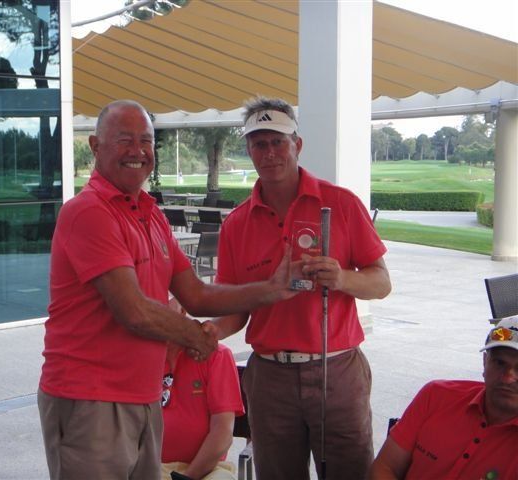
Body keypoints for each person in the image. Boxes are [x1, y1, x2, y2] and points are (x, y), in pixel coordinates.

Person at [37, 99, 302, 480]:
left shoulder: (150, 216)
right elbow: (134, 311)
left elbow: (196, 294)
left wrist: (270, 290)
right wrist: (197, 337)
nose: (138, 151)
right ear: (95, 146)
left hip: (143, 395)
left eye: (146, 140)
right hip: (91, 399)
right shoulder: (89, 211)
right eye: (125, 140)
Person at [209, 96, 392, 479]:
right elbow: (235, 310)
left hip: (337, 368)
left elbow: (381, 282)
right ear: (249, 151)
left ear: (297, 144)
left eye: (278, 141)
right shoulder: (237, 224)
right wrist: (205, 332)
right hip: (270, 376)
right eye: (259, 143)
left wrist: (342, 278)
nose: (269, 152)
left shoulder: (341, 204)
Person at [369, 315, 518, 479]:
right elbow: (385, 467)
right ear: (485, 362)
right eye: (499, 363)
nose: (507, 378)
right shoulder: (436, 395)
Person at [161, 298, 243, 480]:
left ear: (182, 310)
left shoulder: (216, 355)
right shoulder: (142, 356)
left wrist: (188, 477)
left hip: (209, 469)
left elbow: (223, 431)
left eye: (165, 302)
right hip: (152, 466)